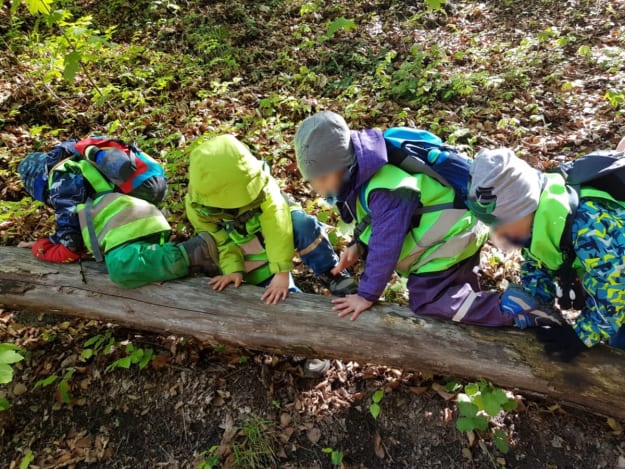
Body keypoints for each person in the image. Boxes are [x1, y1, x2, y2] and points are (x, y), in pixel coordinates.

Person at [293, 111, 561, 328]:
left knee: (427, 299)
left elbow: (387, 243)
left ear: (343, 164)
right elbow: (373, 219)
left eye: (323, 179)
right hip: (459, 227)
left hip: (449, 240)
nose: (321, 188)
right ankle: (478, 313)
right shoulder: (368, 165)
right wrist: (358, 245)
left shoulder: (386, 189)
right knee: (458, 288)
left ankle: (512, 309)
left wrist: (366, 295)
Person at [467, 145, 625, 359]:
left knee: (619, 343)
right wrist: (535, 304)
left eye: (501, 225)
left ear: (524, 209)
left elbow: (616, 288)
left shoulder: (588, 224)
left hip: (619, 279)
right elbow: (537, 262)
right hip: (613, 271)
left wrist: (581, 335)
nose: (499, 234)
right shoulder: (536, 222)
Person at [185, 134, 357, 305]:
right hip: (247, 247)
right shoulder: (199, 208)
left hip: (280, 229)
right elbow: (221, 243)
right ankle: (291, 301)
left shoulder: (261, 183)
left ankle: (331, 273)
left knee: (303, 225)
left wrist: (281, 271)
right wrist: (233, 269)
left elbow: (277, 224)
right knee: (278, 297)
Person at [18, 150, 219, 288]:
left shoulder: (60, 179)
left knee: (121, 268)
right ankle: (187, 263)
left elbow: (70, 246)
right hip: (139, 220)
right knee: (137, 262)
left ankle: (194, 253)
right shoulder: (78, 166)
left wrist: (41, 248)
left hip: (127, 226)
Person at [17, 137, 166, 263]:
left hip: (131, 202)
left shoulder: (58, 177)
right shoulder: (76, 161)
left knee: (123, 260)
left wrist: (41, 247)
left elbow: (71, 243)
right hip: (149, 189)